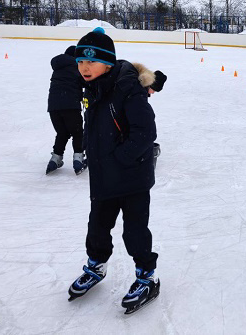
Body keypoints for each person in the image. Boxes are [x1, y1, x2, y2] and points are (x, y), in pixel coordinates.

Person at [67, 28, 166, 313]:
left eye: (91, 61)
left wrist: (120, 158)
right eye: (80, 61)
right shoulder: (93, 86)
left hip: (131, 177)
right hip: (103, 176)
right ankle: (96, 266)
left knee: (134, 232)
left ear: (108, 63)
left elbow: (145, 132)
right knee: (97, 228)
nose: (84, 67)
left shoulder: (126, 88)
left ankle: (148, 277)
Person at [46, 45, 86, 175]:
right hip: (71, 105)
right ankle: (78, 159)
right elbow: (86, 83)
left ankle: (55, 158)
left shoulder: (58, 68)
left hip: (53, 107)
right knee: (77, 132)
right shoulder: (77, 67)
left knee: (62, 132)